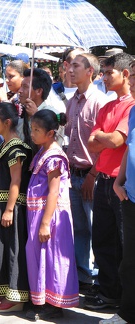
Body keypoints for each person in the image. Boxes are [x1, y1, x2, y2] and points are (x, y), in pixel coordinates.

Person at [85, 53, 135, 310]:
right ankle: (108, 292)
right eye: (103, 73)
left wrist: (103, 136)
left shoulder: (130, 106)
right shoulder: (107, 106)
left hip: (121, 182)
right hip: (103, 179)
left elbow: (117, 141)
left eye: (108, 73)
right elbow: (92, 143)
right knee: (103, 241)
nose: (103, 78)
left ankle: (124, 299)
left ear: (125, 74)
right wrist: (107, 136)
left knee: (125, 245)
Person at [25, 109, 79, 321]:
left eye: (37, 130)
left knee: (52, 257)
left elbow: (54, 191)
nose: (32, 133)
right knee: (39, 256)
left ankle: (55, 303)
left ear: (50, 133)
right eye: (32, 129)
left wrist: (46, 223)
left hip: (51, 216)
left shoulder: (55, 156)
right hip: (38, 214)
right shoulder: (42, 150)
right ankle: (43, 299)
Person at [0, 102, 32, 312]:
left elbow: (16, 180)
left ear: (7, 122)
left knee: (13, 248)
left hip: (9, 206)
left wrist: (10, 209)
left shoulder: (16, 148)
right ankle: (4, 290)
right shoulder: (3, 146)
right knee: (0, 247)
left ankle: (17, 296)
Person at [65, 53, 108, 290]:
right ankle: (83, 277)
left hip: (92, 175)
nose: (70, 70)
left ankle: (99, 279)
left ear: (90, 71)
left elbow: (104, 145)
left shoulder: (99, 101)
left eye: (75, 66)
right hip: (73, 175)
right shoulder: (72, 101)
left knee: (96, 229)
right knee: (79, 229)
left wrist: (92, 175)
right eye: (70, 66)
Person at [98, 61, 135, 324]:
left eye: (134, 77)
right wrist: (118, 182)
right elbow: (129, 149)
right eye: (132, 76)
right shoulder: (134, 112)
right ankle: (126, 312)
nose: (131, 82)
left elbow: (116, 141)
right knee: (129, 261)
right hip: (130, 196)